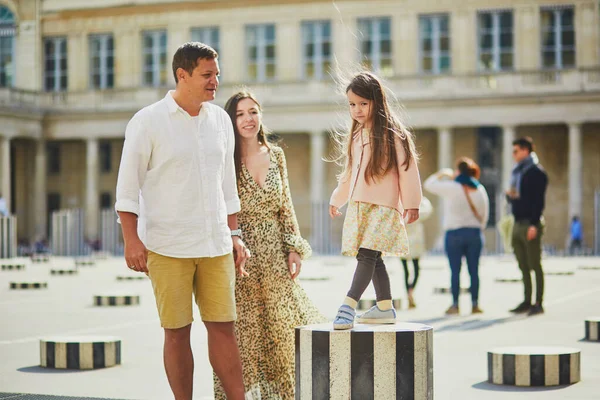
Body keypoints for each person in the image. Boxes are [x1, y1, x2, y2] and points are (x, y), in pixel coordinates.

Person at [115, 42, 249, 400]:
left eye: (217, 75)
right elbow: (127, 188)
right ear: (182, 75)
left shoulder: (220, 120)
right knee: (176, 331)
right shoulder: (147, 121)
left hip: (216, 243)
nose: (215, 82)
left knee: (223, 328)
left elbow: (228, 186)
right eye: (207, 75)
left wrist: (235, 234)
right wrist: (132, 240)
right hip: (167, 245)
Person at [213, 91, 325, 399]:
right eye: (240, 114)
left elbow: (285, 205)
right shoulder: (224, 156)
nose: (248, 119)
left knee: (282, 334)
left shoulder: (276, 155)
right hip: (240, 258)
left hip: (275, 254)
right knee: (245, 338)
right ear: (230, 120)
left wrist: (293, 247)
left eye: (253, 112)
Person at [329, 71, 422, 330]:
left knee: (367, 255)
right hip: (360, 206)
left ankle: (347, 306)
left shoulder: (394, 134)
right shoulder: (357, 136)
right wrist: (338, 198)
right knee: (372, 255)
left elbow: (408, 168)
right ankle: (384, 307)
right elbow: (350, 173)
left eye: (363, 103)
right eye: (352, 104)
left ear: (377, 102)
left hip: (383, 207)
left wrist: (412, 203)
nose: (357, 110)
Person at [424, 157, 489, 315]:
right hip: (474, 233)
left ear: (458, 171)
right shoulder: (479, 188)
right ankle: (475, 304)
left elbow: (428, 184)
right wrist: (478, 228)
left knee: (455, 271)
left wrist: (442, 174)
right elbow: (485, 214)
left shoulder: (452, 187)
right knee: (474, 271)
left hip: (454, 234)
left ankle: (455, 304)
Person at [507, 137, 548, 316]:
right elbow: (517, 199)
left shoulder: (536, 173)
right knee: (523, 265)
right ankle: (526, 300)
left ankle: (538, 303)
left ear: (526, 151)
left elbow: (538, 202)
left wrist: (534, 224)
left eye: (516, 151)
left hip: (530, 224)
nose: (513, 155)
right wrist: (509, 196)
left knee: (535, 264)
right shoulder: (517, 172)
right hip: (517, 222)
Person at [401, 196, 433, 308]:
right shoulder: (419, 203)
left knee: (408, 270)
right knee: (414, 269)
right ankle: (410, 292)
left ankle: (409, 293)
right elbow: (427, 210)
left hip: (407, 240)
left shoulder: (402, 202)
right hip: (411, 240)